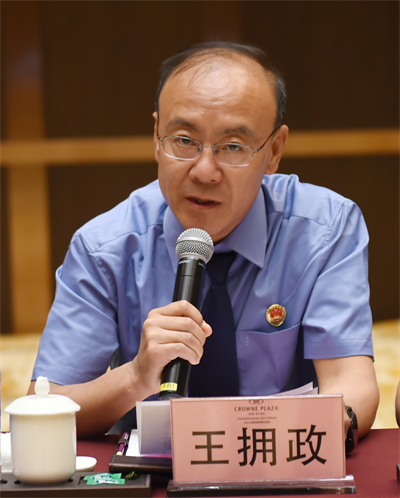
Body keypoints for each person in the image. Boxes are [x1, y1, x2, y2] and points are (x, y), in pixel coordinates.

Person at [29, 42, 379, 444]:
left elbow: (351, 383)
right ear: (156, 137)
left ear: (274, 151)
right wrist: (137, 376)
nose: (205, 171)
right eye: (183, 140)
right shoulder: (104, 248)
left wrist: (322, 427)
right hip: (152, 469)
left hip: (280, 459)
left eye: (233, 147)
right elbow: (45, 409)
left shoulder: (325, 230)